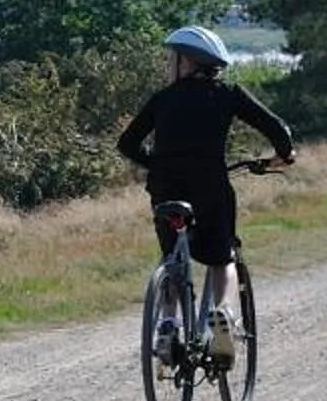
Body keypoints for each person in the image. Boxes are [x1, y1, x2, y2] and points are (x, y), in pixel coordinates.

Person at [116, 26, 295, 367]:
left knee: (172, 256)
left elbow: (126, 144)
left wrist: (157, 164)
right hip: (209, 186)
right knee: (221, 257)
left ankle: (168, 322)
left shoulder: (163, 98)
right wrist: (284, 155)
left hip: (165, 188)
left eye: (174, 57)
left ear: (187, 61)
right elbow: (277, 130)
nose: (171, 64)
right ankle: (224, 314)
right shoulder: (227, 93)